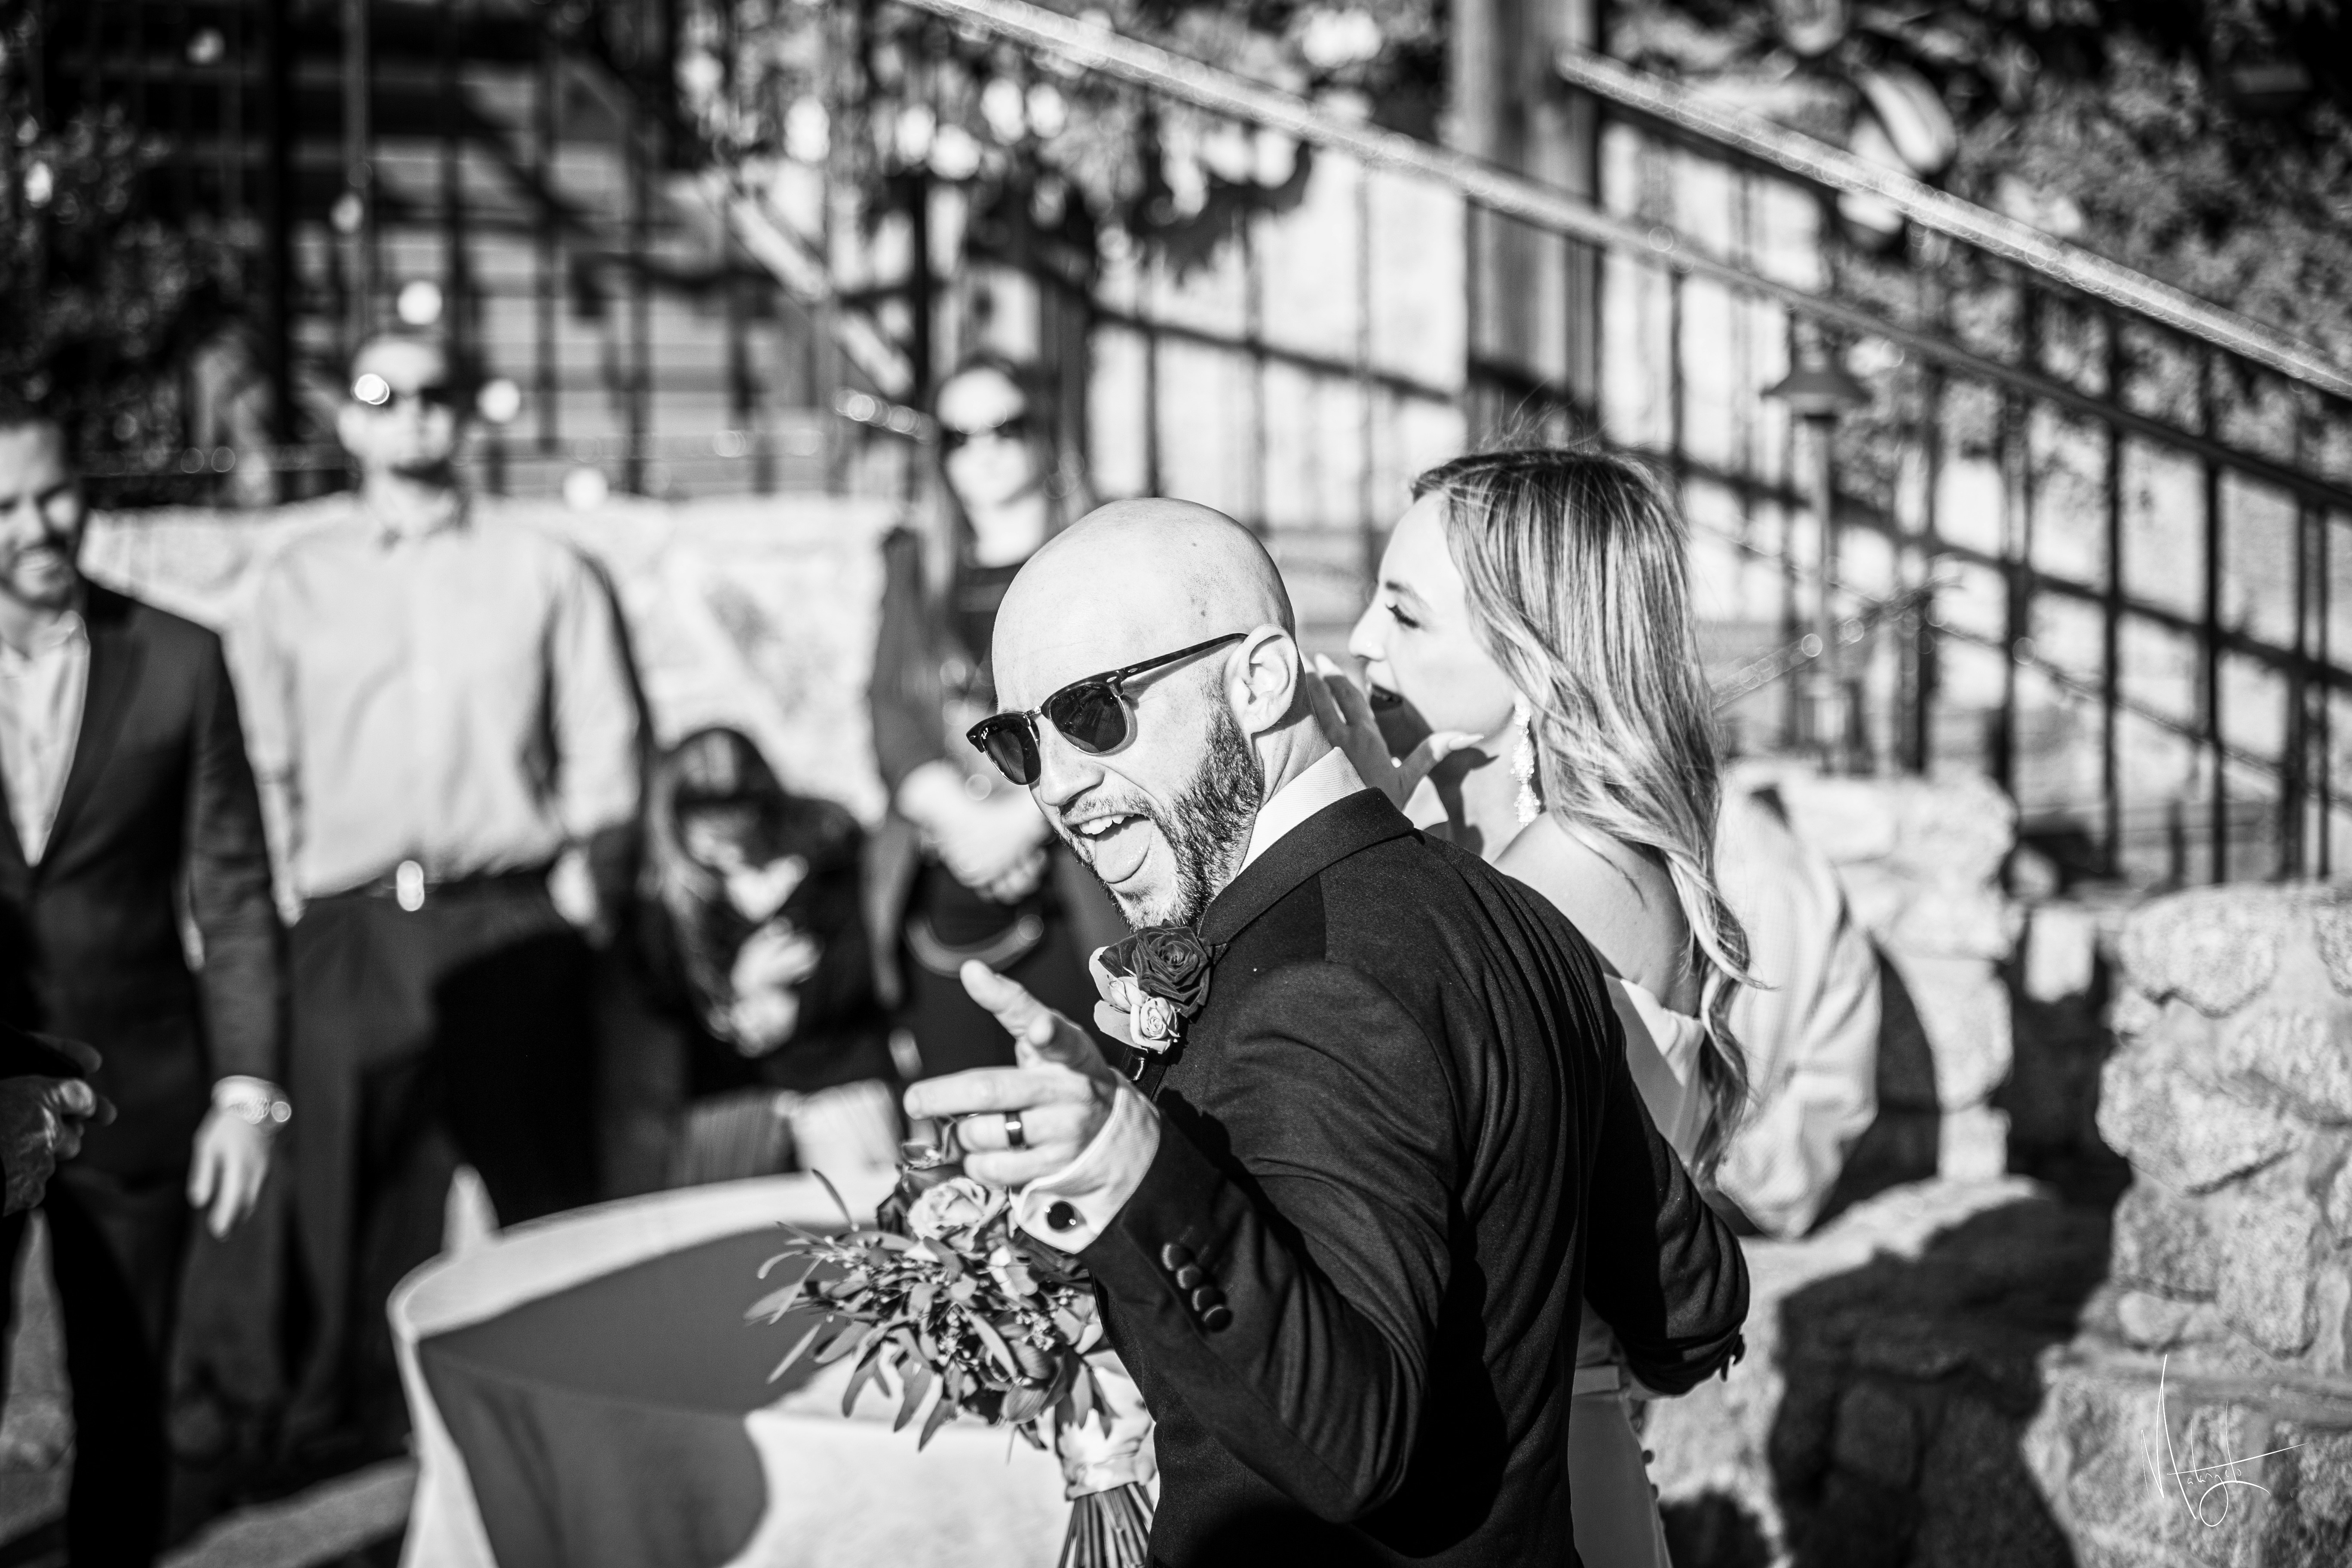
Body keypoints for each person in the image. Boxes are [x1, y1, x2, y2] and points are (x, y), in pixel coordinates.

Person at [906, 499, 1749, 1566]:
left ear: (1259, 680)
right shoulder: (1510, 915)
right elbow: (1689, 1304)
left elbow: (1352, 1450)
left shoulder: (1311, 985)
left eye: (1092, 712)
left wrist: (1127, 1170)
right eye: (1016, 740)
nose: (1059, 783)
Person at [1315, 445, 1755, 1568]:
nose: (1365, 641)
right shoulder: (1529, 848)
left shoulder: (1575, 869)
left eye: (1407, 616)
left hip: (1533, 1470)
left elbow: (1399, 1117)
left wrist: (1360, 827)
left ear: (1536, 648)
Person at [236, 332, 641, 1470]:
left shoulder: (543, 569)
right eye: (383, 394)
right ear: (351, 421)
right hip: (348, 925)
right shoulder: (294, 580)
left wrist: (584, 907)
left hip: (507, 917)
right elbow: (259, 763)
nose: (411, 414)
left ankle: (572, 1416)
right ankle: (338, 1432)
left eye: (435, 394)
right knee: (337, 1193)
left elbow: (606, 750)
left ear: (466, 417)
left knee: (546, 1195)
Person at [0, 407, 286, 1565]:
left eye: (54, 494)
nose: (37, 526)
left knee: (126, 1402)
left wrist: (248, 1088)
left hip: (140, 1092)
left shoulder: (181, 657)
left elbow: (231, 883)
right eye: (5, 508)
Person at [866, 356, 1122, 1084]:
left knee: (1092, 1100)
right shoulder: (911, 565)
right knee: (971, 1122)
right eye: (957, 435)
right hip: (950, 892)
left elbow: (1121, 709)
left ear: (1045, 432)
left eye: (1004, 427)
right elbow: (888, 709)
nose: (982, 451)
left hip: (1077, 885)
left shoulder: (1102, 551)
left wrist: (1023, 817)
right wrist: (961, 819)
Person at [604, 726, 899, 1187]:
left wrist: (795, 1011)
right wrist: (741, 989)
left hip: (839, 1071)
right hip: (734, 1092)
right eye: (714, 843)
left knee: (864, 1210)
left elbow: (866, 961)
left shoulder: (829, 854)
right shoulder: (671, 905)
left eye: (741, 832)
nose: (732, 854)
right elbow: (664, 1004)